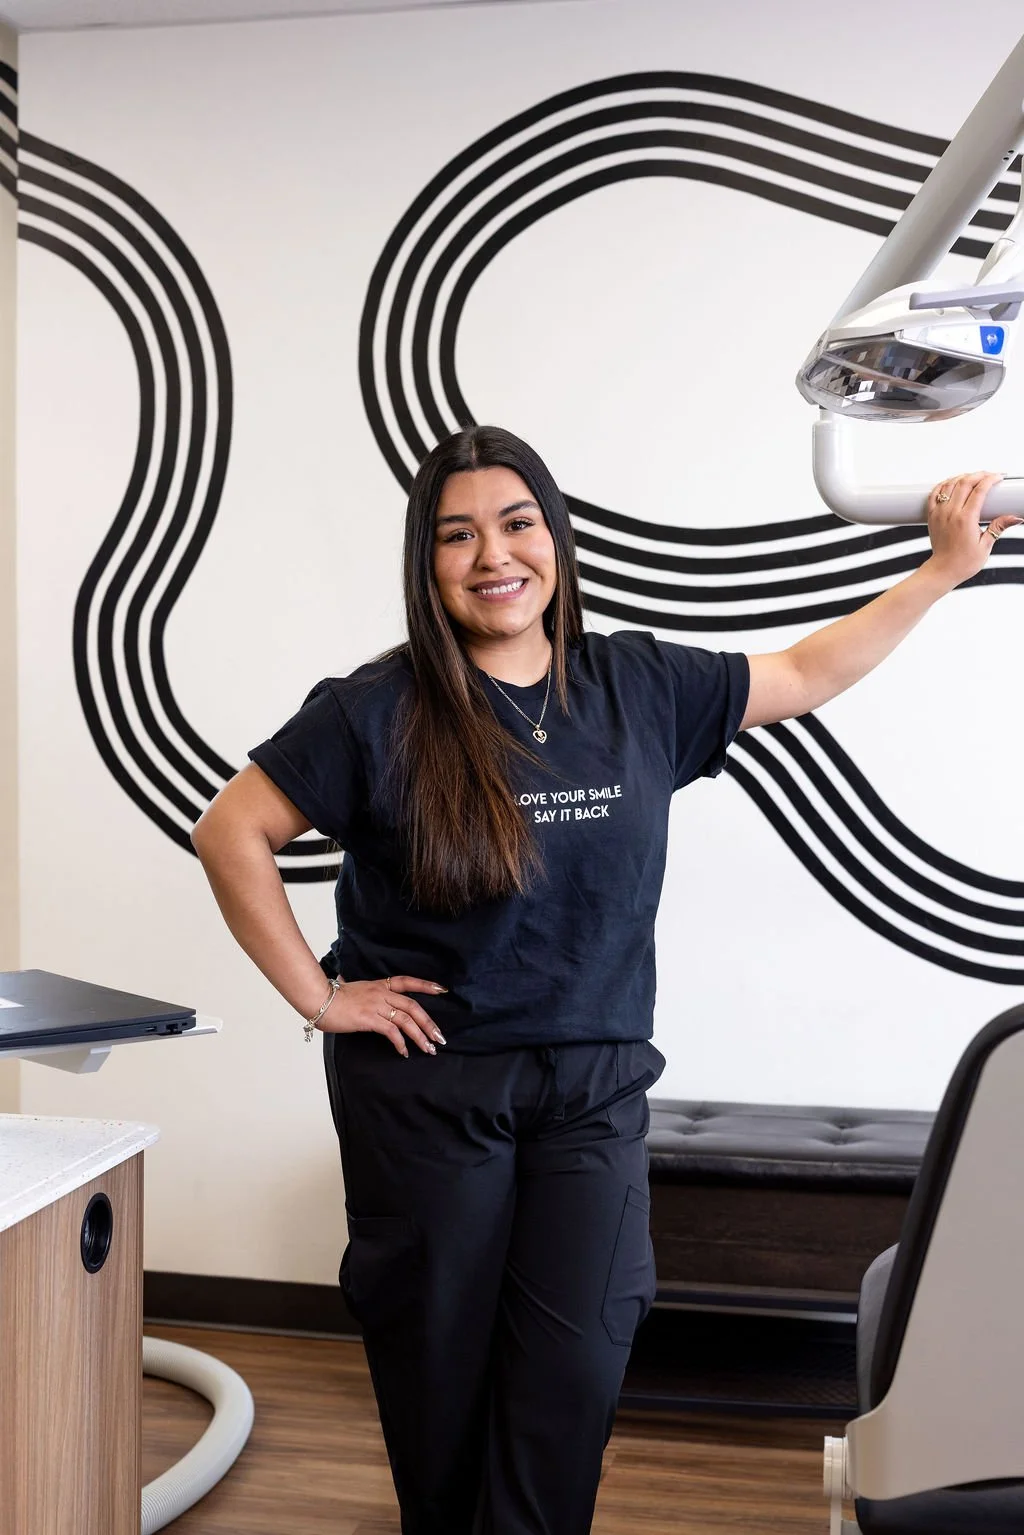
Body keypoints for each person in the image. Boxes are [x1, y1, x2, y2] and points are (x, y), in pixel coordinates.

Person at [191, 426, 1018, 1535]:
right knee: (440, 1361)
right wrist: (320, 992)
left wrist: (937, 571)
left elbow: (808, 669)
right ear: (426, 562)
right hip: (431, 1090)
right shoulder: (376, 710)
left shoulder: (638, 684)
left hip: (591, 1084)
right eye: (458, 533)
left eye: (517, 521)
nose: (494, 553)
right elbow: (232, 827)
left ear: (555, 538)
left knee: (576, 1356)